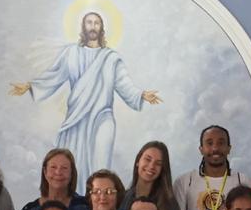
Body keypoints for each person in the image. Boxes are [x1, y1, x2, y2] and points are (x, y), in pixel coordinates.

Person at [9, 10, 161, 193]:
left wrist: (141, 95)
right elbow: (54, 75)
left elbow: (124, 84)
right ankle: (77, 204)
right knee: (75, 165)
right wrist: (31, 86)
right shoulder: (71, 53)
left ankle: (99, 202)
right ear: (83, 27)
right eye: (89, 22)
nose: (93, 26)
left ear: (101, 28)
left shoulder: (111, 58)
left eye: (97, 23)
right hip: (77, 118)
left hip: (102, 117)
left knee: (100, 164)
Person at [172, 125, 251, 210]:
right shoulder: (185, 181)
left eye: (221, 143)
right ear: (201, 149)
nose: (215, 148)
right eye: (209, 143)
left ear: (229, 148)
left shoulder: (242, 181)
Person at [119, 141, 183, 210]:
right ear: (138, 161)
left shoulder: (168, 204)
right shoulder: (122, 198)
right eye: (147, 159)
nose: (151, 166)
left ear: (162, 169)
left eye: (158, 163)